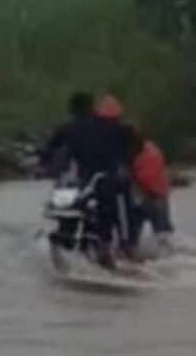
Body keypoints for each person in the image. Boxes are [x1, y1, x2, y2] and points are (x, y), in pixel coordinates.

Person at [39, 92, 136, 268]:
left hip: (100, 178)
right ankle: (120, 243)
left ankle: (117, 243)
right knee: (73, 206)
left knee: (112, 204)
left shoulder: (71, 127)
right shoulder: (109, 126)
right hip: (88, 179)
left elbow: (50, 149)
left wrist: (43, 164)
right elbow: (52, 149)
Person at [95, 95, 175, 255]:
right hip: (157, 196)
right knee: (162, 235)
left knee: (130, 231)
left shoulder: (126, 154)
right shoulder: (151, 150)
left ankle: (127, 249)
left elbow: (138, 177)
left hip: (143, 197)